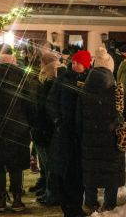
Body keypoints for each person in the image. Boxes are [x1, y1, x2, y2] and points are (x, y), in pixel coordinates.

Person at [0, 47, 36, 212]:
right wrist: (30, 122)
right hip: (18, 126)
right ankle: (17, 199)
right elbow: (29, 102)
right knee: (16, 165)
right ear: (12, 58)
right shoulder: (21, 75)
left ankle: (1, 200)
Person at [79, 47, 125, 213]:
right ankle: (109, 203)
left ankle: (90, 203)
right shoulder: (116, 89)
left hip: (90, 138)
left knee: (91, 170)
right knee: (111, 170)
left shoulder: (84, 88)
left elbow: (79, 116)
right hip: (111, 137)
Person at [49, 50, 89, 217]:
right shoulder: (63, 78)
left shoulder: (89, 80)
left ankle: (76, 207)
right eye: (73, 62)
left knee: (78, 174)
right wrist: (58, 120)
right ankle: (68, 209)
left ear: (86, 65)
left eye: (78, 62)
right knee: (65, 171)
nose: (75, 65)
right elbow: (51, 101)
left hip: (80, 135)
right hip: (65, 133)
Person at [33, 51, 60, 207]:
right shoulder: (52, 81)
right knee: (47, 165)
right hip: (47, 130)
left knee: (50, 166)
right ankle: (48, 192)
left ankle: (52, 195)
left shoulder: (48, 83)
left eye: (41, 63)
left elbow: (44, 109)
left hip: (45, 130)